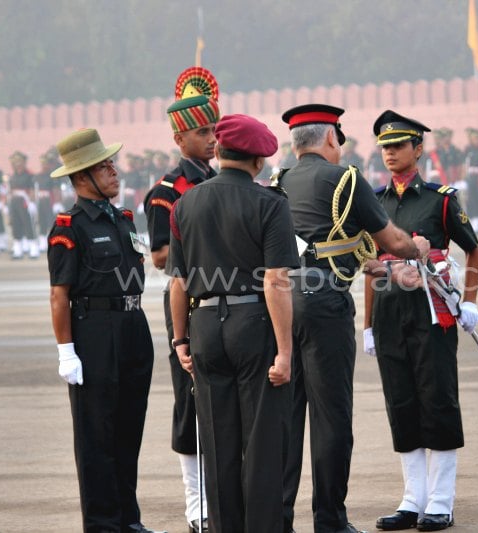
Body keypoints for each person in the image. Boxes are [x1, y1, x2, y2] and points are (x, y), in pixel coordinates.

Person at [277, 103, 430, 533]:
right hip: (324, 302)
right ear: (330, 138)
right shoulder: (345, 179)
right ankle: (329, 518)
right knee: (331, 417)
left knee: (286, 418)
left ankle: (280, 517)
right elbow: (391, 239)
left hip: (282, 302)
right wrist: (415, 246)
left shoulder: (278, 180)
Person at [168, 113, 297, 533]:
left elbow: (178, 282)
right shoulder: (270, 203)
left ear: (219, 152)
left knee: (217, 442)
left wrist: (180, 341)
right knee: (260, 442)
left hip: (204, 324)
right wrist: (284, 351)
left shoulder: (185, 203)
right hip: (252, 322)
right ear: (259, 162)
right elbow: (276, 280)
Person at [364, 110, 478, 532]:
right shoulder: (374, 202)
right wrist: (368, 323)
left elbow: (472, 249)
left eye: (398, 145)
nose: (390, 153)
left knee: (437, 399)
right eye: (385, 147)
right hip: (391, 312)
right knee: (401, 402)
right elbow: (369, 263)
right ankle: (412, 498)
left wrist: (469, 301)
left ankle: (441, 501)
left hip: (433, 312)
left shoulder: (441, 199)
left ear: (418, 149)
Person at [47, 128, 162, 533]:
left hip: (132, 326)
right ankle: (102, 524)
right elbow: (60, 295)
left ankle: (128, 520)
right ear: (81, 178)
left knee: (128, 430)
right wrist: (66, 351)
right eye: (104, 167)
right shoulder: (69, 227)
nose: (115, 172)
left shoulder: (123, 218)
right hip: (94, 332)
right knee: (97, 436)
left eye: (112, 164)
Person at [144, 65, 220, 533]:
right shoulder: (167, 191)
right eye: (201, 131)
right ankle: (196, 504)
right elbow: (159, 257)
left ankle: (223, 497)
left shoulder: (221, 178)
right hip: (188, 310)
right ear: (180, 137)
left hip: (228, 305)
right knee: (190, 409)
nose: (212, 138)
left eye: (213, 128)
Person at [7, 151, 40, 259]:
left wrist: (32, 203)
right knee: (16, 226)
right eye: (15, 162)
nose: (17, 164)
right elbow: (10, 191)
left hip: (25, 202)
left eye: (19, 162)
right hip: (14, 202)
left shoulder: (30, 175)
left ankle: (33, 249)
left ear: (24, 162)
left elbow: (32, 190)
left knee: (28, 225)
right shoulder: (12, 176)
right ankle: (18, 250)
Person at [35, 148, 62, 251]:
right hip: (42, 200)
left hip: (51, 201)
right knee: (42, 221)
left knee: (52, 221)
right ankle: (42, 242)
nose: (44, 165)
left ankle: (54, 241)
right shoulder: (38, 175)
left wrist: (57, 202)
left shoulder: (53, 174)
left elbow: (56, 188)